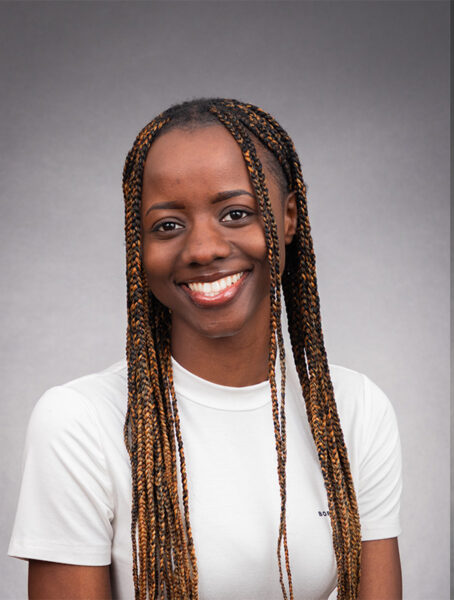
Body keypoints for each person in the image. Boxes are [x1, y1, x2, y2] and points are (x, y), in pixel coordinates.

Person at [8, 98, 402, 600]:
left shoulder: (355, 410)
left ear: (287, 219)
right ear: (139, 244)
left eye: (235, 213)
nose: (203, 249)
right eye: (168, 225)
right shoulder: (80, 423)